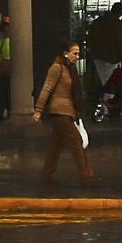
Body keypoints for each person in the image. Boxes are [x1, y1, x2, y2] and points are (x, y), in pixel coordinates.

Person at [34, 38, 96, 185]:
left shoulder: (71, 69)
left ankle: (46, 173)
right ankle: (86, 175)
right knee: (76, 140)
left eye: (78, 53)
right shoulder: (57, 68)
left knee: (57, 144)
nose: (77, 56)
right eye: (75, 53)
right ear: (65, 53)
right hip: (59, 111)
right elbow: (46, 88)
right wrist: (38, 110)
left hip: (69, 112)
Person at [85, 3, 122, 105]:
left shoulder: (97, 22)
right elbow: (121, 42)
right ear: (120, 12)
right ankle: (108, 106)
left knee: (101, 82)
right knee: (111, 84)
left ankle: (100, 104)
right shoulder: (117, 24)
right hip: (111, 59)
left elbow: (90, 38)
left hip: (96, 57)